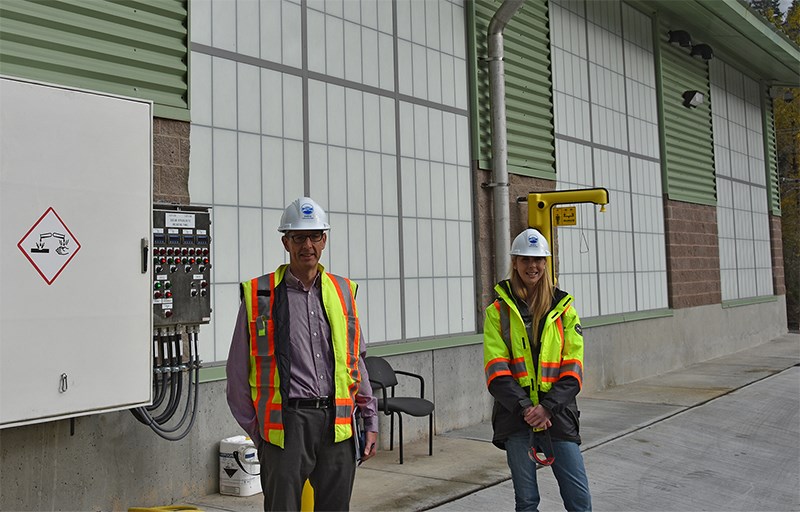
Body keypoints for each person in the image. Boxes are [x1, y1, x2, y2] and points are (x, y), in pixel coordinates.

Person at [226, 196, 378, 511]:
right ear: (286, 242)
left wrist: (370, 419)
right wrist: (260, 433)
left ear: (324, 241)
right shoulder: (260, 295)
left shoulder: (343, 291)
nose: (307, 244)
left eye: (315, 236)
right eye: (298, 237)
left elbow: (356, 361)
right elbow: (238, 374)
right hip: (286, 426)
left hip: (337, 422)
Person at [483, 228, 592, 512]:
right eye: (525, 259)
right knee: (527, 501)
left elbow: (573, 367)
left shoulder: (565, 309)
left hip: (558, 415)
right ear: (515, 263)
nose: (532, 266)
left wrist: (546, 408)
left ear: (546, 263)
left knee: (580, 502)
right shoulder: (497, 311)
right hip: (516, 417)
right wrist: (527, 410)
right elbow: (496, 370)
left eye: (538, 260)